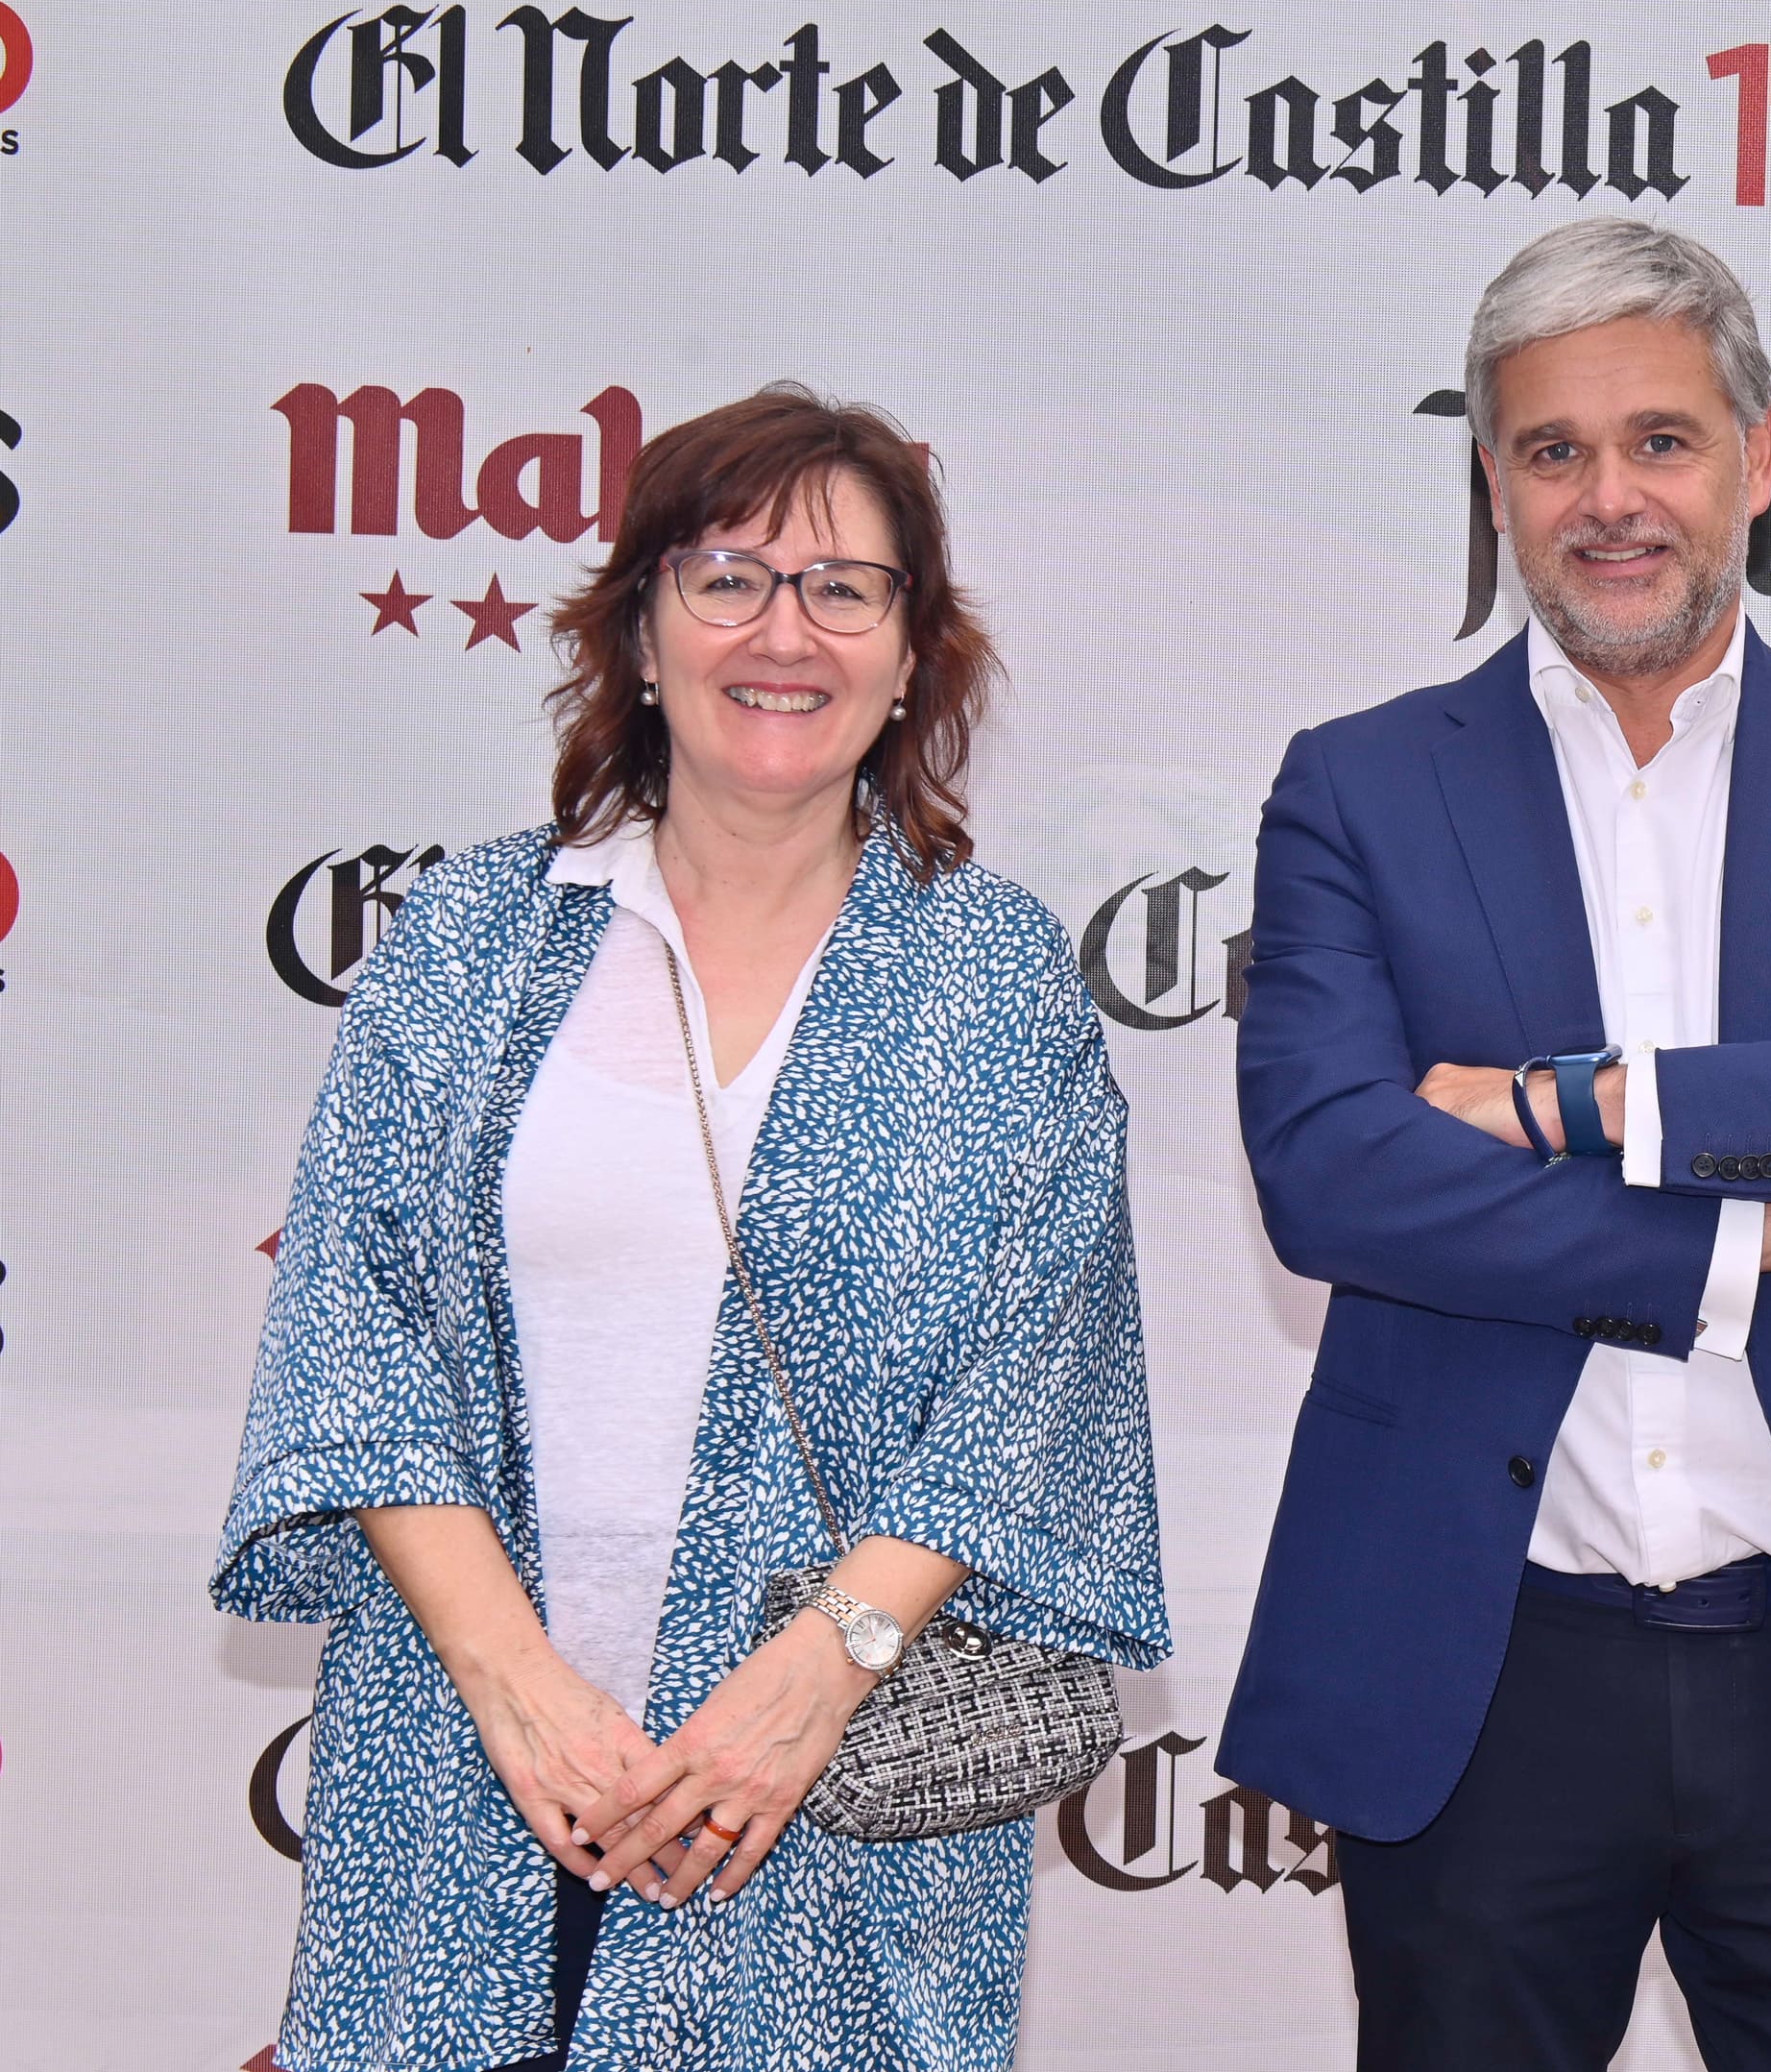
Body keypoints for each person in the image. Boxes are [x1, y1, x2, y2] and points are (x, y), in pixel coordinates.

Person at [214, 387, 1168, 2072]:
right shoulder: (472, 940)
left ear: (906, 653)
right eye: (727, 577)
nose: (781, 631)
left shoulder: (998, 979)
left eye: (842, 588)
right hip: (467, 1774)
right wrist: (515, 1681)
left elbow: (1036, 1380)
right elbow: (352, 1325)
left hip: (831, 1802)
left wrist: (821, 1669)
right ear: (642, 632)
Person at [1218, 217, 1771, 2070]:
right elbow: (1332, 1171)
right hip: (1486, 1664)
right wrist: (1744, 1237)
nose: (1611, 499)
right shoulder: (1357, 788)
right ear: (1495, 481)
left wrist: (1583, 1105)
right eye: (1553, 451)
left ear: (1760, 458)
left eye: (1662, 442)